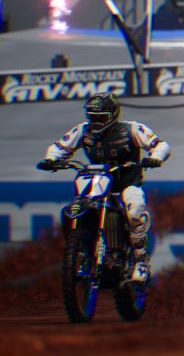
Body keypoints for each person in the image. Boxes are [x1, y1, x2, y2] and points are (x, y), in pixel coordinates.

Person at [37, 93, 171, 283]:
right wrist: (51, 159)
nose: (96, 123)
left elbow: (160, 144)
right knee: (75, 209)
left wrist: (155, 157)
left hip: (126, 184)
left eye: (101, 118)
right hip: (96, 184)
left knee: (135, 212)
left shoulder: (131, 129)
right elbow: (60, 147)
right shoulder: (82, 130)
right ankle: (80, 250)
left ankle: (141, 260)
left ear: (113, 115)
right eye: (92, 117)